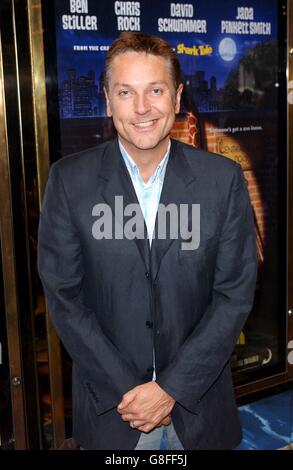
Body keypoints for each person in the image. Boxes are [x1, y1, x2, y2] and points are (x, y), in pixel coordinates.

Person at [37, 32, 257, 450]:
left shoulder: (222, 181)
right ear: (107, 100)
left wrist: (171, 388)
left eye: (155, 90)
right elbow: (64, 297)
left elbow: (234, 295)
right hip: (113, 411)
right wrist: (133, 394)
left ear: (176, 98)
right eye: (126, 92)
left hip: (199, 409)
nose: (141, 108)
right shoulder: (69, 182)